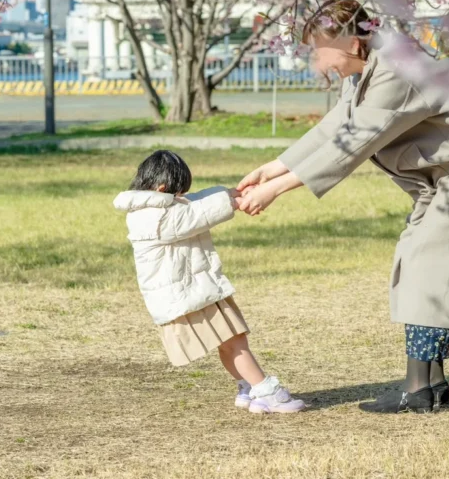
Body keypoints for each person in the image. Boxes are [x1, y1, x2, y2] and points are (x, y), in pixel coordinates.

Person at [236, 0, 449, 414]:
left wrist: (278, 189)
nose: (316, 60)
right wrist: (272, 168)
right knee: (423, 263)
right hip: (446, 169)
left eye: (320, 49)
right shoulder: (366, 72)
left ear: (352, 45)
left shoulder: (396, 71)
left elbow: (355, 144)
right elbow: (336, 127)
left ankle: (418, 390)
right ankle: (430, 385)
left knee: (424, 263)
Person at [113, 150, 305, 414]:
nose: (182, 197)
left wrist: (228, 193)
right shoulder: (155, 217)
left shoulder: (154, 206)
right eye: (178, 193)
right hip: (188, 294)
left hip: (192, 289)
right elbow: (195, 214)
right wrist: (235, 203)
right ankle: (267, 392)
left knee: (229, 343)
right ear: (161, 189)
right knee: (235, 342)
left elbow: (194, 201)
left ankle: (247, 387)